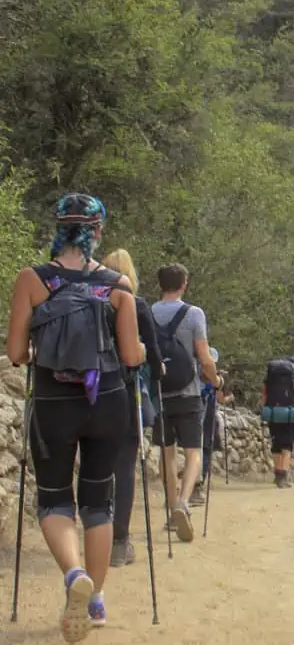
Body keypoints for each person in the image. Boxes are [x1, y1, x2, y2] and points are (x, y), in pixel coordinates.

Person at [5, 194, 144, 642]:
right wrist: (141, 350)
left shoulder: (32, 279)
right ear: (97, 232)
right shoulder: (118, 284)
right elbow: (129, 355)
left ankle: (73, 575)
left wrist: (39, 348)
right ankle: (96, 597)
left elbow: (14, 354)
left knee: (54, 500)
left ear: (58, 228)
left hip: (52, 404)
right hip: (107, 402)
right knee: (97, 504)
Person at [101, 249, 163, 569]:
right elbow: (153, 353)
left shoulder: (91, 304)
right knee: (125, 468)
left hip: (91, 396)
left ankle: (95, 536)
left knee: (97, 468)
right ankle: (118, 543)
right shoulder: (137, 306)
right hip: (126, 393)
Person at [152, 263, 222, 542]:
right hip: (189, 393)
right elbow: (205, 358)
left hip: (160, 393)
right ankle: (183, 501)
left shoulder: (148, 311)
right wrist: (216, 382)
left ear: (160, 284)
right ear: (184, 284)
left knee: (166, 453)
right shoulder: (194, 314)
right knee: (193, 452)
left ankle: (171, 511)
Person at [257, 358, 294, 488]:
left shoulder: (270, 380)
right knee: (287, 445)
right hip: (288, 413)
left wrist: (261, 408)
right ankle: (283, 476)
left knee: (276, 444)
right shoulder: (292, 379)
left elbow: (264, 395)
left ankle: (277, 474)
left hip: (272, 412)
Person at [192, 365, 232, 506]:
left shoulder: (195, 375)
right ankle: (198, 483)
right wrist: (230, 397)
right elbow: (221, 399)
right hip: (208, 416)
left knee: (195, 448)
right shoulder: (214, 379)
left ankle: (192, 483)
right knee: (206, 449)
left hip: (194, 413)